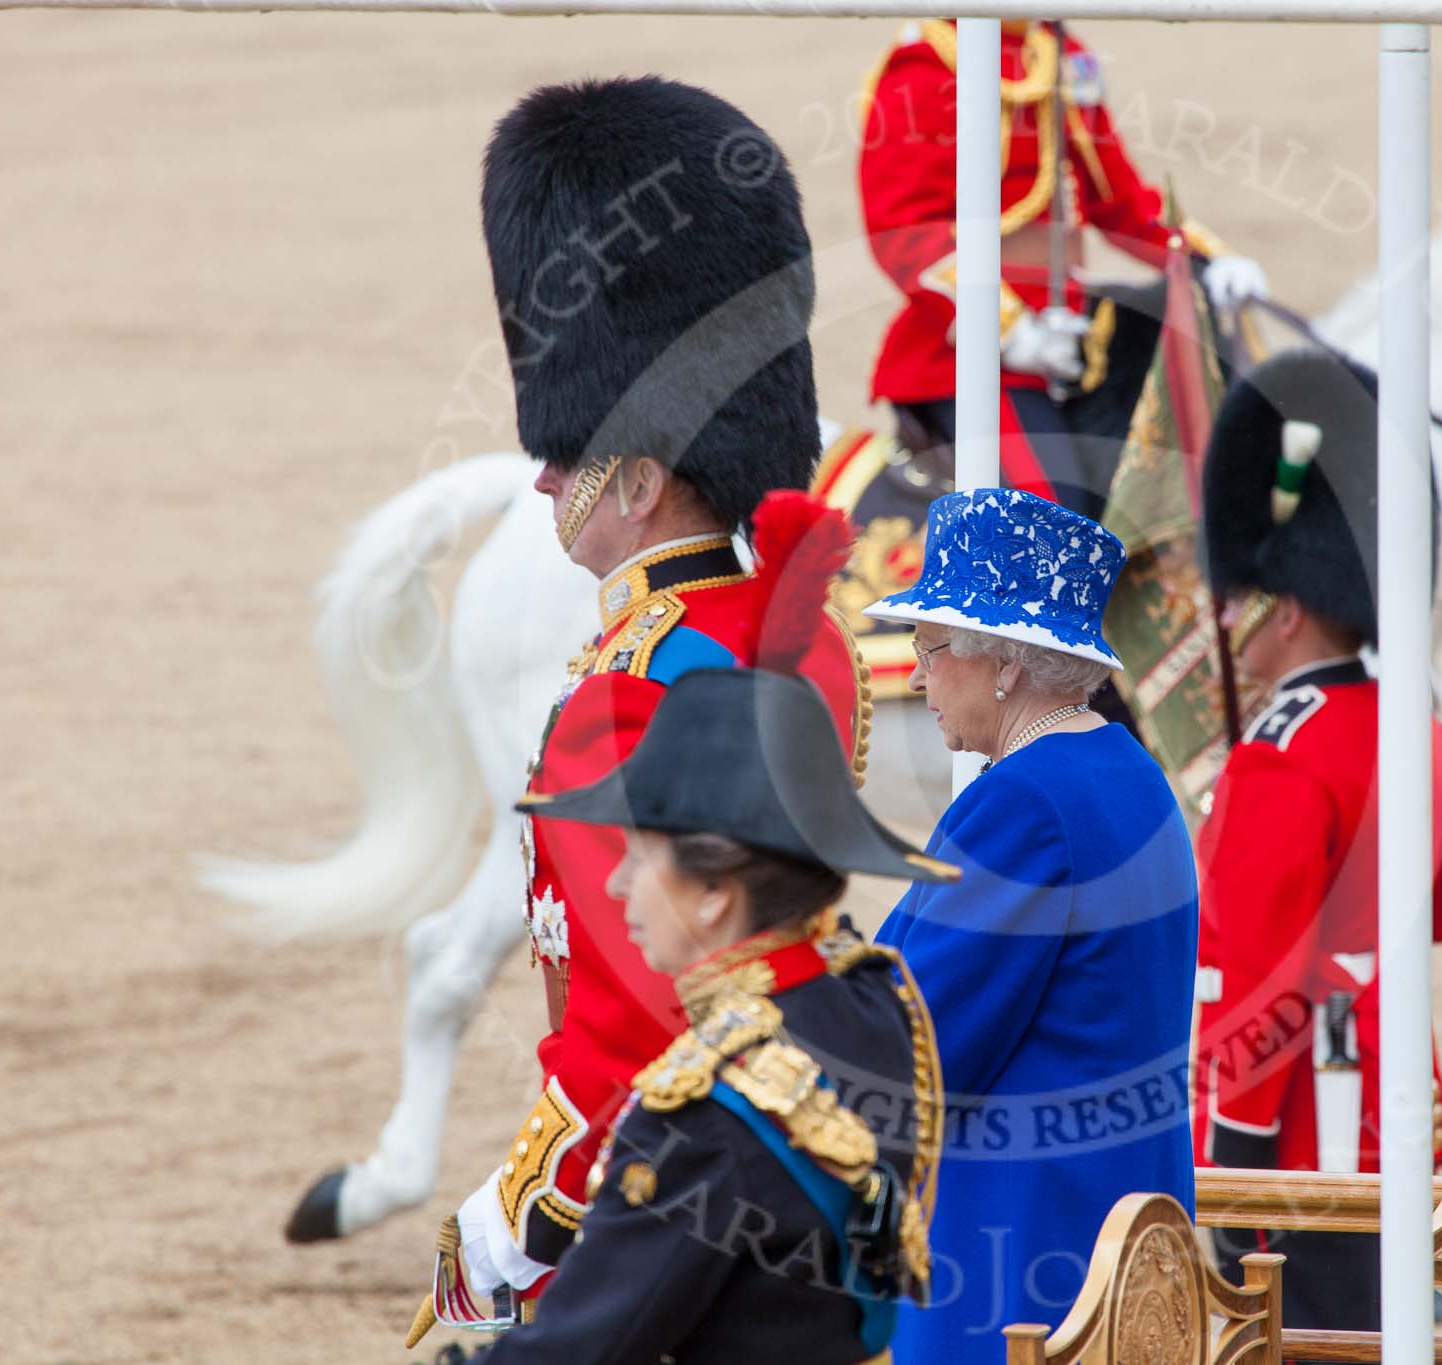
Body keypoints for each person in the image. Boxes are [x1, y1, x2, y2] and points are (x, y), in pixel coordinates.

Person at [408, 76, 868, 1336]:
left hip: (658, 1181)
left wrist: (518, 1215)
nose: (547, 473)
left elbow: (630, 1006)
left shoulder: (624, 688)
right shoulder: (799, 631)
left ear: (645, 477)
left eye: (577, 454)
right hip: (803, 1135)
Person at [435, 666, 956, 1363]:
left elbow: (580, 1348)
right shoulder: (876, 998)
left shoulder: (701, 1114)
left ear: (714, 889)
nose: (617, 884)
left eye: (640, 855)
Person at [861, 487, 1199, 1354]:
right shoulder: (1131, 772)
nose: (917, 674)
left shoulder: (1024, 804)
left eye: (931, 649)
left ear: (1004, 661)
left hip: (1021, 1268)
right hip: (1121, 1236)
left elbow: (913, 1046)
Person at [1191, 349, 1442, 1331]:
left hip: (1295, 1141)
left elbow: (1261, 985)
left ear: (1282, 607)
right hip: (1400, 1108)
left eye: (1238, 604)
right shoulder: (1427, 733)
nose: (1224, 621)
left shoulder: (1276, 758)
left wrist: (1230, 1172)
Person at [857, 19, 1271, 520]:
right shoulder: (925, 66)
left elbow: (1120, 203)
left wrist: (1208, 258)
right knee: (1052, 522)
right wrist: (1009, 329)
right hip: (971, 354)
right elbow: (905, 235)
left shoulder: (1058, 52)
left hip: (1070, 336)